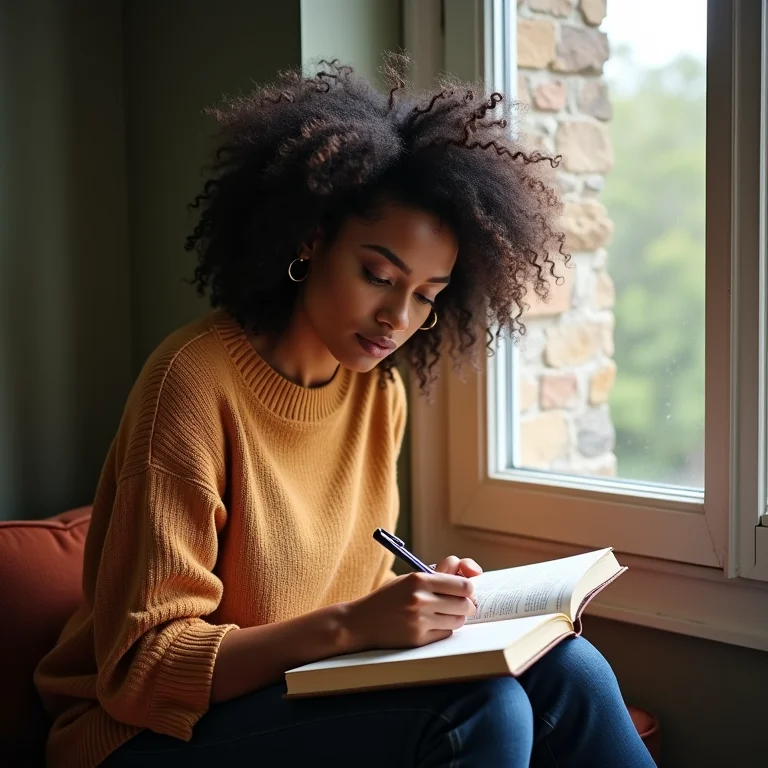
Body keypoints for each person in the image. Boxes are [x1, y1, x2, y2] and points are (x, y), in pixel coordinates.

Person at [34, 57, 654, 767]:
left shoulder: (377, 393)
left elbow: (335, 589)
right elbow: (144, 671)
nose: (398, 317)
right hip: (140, 736)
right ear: (311, 238)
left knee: (569, 669)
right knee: (479, 710)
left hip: (287, 695)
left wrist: (420, 599)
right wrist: (356, 624)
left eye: (426, 296)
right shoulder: (192, 384)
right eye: (379, 275)